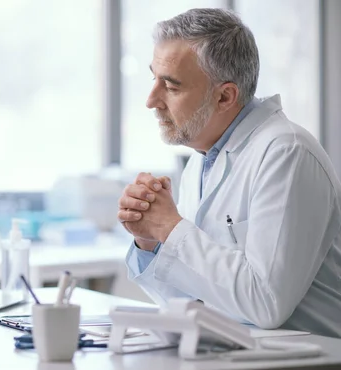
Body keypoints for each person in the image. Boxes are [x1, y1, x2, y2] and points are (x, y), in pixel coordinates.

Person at [117, 8, 341, 338]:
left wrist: (170, 227)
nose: (152, 100)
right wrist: (150, 242)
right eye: (154, 79)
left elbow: (265, 304)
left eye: (171, 86)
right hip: (240, 353)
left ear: (225, 96)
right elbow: (199, 301)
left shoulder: (286, 153)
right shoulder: (201, 162)